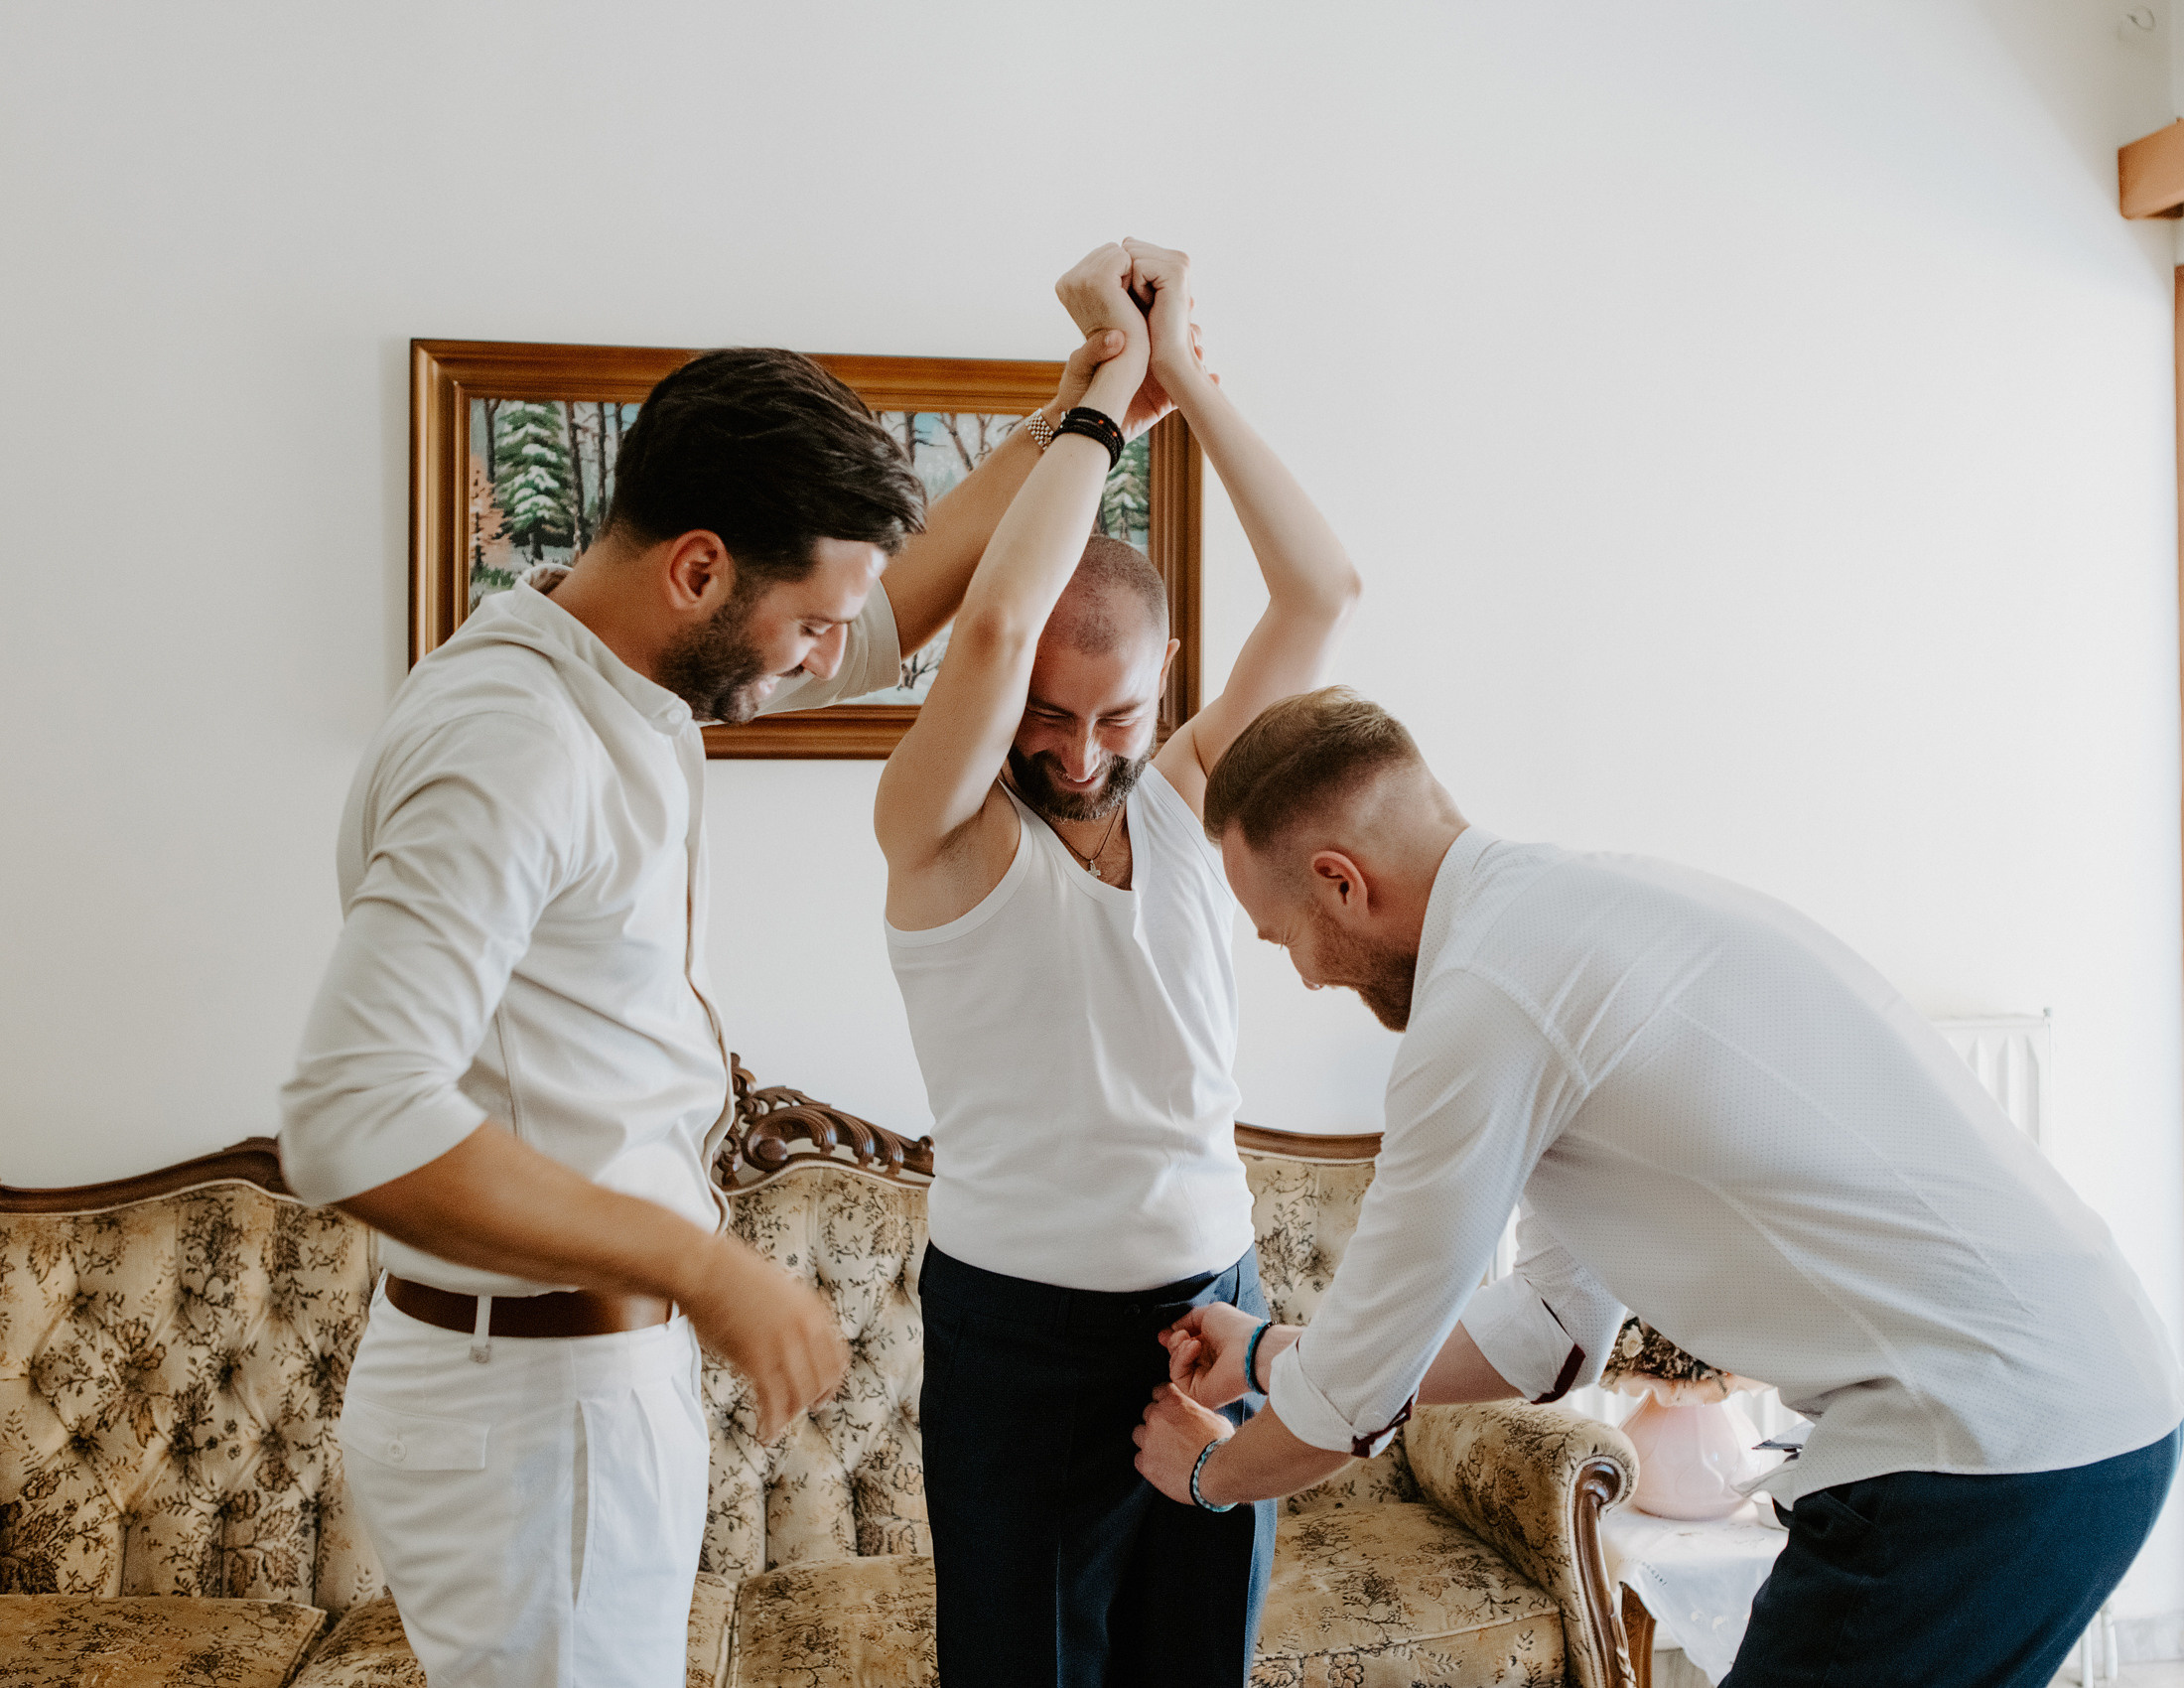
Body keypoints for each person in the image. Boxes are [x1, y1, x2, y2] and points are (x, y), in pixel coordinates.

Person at [278, 325, 1130, 1688]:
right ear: (698, 569)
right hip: (536, 1410)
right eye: (807, 625)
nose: (828, 656)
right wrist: (707, 1266)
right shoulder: (519, 744)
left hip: (566, 1384)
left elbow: (898, 608)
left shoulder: (625, 683)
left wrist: (1083, 407)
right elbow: (348, 1118)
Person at [1136, 686, 2184, 1688]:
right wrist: (1274, 1352)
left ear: (1339, 880)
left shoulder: (1484, 1004)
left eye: (1283, 938)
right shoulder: (1569, 924)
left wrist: (1205, 1476)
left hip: (1982, 1444)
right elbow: (1551, 1332)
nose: (1309, 975)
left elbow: (1352, 1399)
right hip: (2089, 1409)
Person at [873, 239, 1361, 1687]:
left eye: (1118, 715)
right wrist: (1103, 391)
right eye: (1047, 715)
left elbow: (1324, 588)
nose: (1078, 755)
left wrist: (1187, 373)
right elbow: (1000, 620)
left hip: (1213, 1310)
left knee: (1195, 1665)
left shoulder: (1191, 793)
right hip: (1014, 1337)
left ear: (1167, 690)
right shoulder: (939, 831)